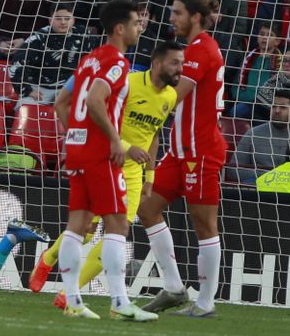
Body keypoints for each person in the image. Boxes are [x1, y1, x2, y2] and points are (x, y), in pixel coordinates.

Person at [31, 39, 183, 304]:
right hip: (106, 161)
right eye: (175, 63)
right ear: (157, 63)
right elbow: (97, 118)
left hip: (135, 172)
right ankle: (48, 258)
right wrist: (124, 146)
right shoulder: (128, 83)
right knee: (87, 229)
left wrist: (150, 175)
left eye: (182, 63)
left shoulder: (170, 96)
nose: (180, 68)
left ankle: (69, 293)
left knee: (118, 231)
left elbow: (154, 134)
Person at [136, 0, 229, 318]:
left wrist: (134, 108)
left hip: (200, 151)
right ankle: (175, 288)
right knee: (146, 207)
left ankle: (205, 303)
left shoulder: (202, 50)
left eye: (177, 13)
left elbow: (173, 97)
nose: (171, 18)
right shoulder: (193, 49)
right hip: (180, 151)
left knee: (204, 224)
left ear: (195, 17)